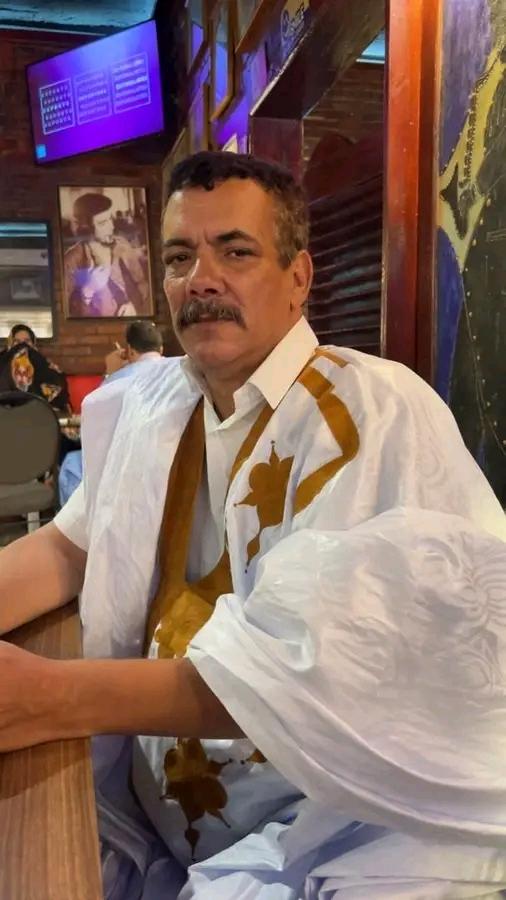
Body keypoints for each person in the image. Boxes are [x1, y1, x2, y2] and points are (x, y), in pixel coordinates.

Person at [0, 151, 505, 900]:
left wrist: (50, 698)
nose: (201, 279)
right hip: (165, 814)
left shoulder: (374, 414)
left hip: (326, 825)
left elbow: (306, 675)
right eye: (180, 257)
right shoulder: (156, 403)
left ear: (298, 278)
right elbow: (70, 546)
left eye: (235, 252)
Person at [58, 321, 164, 505]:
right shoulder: (181, 371)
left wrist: (110, 373)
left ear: (129, 351)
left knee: (71, 464)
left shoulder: (117, 382)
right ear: (161, 349)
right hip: (168, 461)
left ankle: (86, 522)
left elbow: (93, 428)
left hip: (129, 463)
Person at [64, 192, 150, 318]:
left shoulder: (122, 246)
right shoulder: (71, 260)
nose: (111, 227)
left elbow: (143, 286)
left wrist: (134, 306)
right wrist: (88, 290)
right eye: (103, 223)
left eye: (110, 219)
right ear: (87, 228)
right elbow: (67, 313)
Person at [0, 322, 70, 413]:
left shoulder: (44, 366)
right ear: (10, 345)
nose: (22, 345)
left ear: (33, 345)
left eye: (27, 341)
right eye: (17, 341)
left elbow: (59, 391)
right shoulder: (3, 363)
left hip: (38, 414)